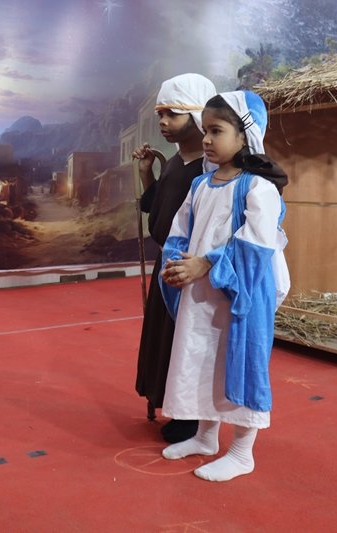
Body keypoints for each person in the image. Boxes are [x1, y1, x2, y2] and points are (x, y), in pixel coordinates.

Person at [158, 90, 289, 481]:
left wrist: (204, 263)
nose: (207, 140)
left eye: (217, 131)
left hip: (239, 297)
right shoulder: (200, 185)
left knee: (240, 365)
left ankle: (242, 452)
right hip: (200, 297)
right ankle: (205, 437)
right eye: (205, 131)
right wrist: (176, 264)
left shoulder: (258, 188)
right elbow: (179, 232)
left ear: (245, 135)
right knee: (204, 362)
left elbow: (255, 245)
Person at [133, 73, 216, 444]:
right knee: (164, 338)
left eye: (172, 114)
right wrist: (146, 173)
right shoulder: (173, 162)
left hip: (190, 269)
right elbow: (156, 210)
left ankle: (189, 416)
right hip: (166, 266)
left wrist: (199, 263)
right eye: (160, 114)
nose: (163, 122)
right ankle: (167, 401)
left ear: (196, 116)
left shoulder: (210, 170)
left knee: (186, 341)